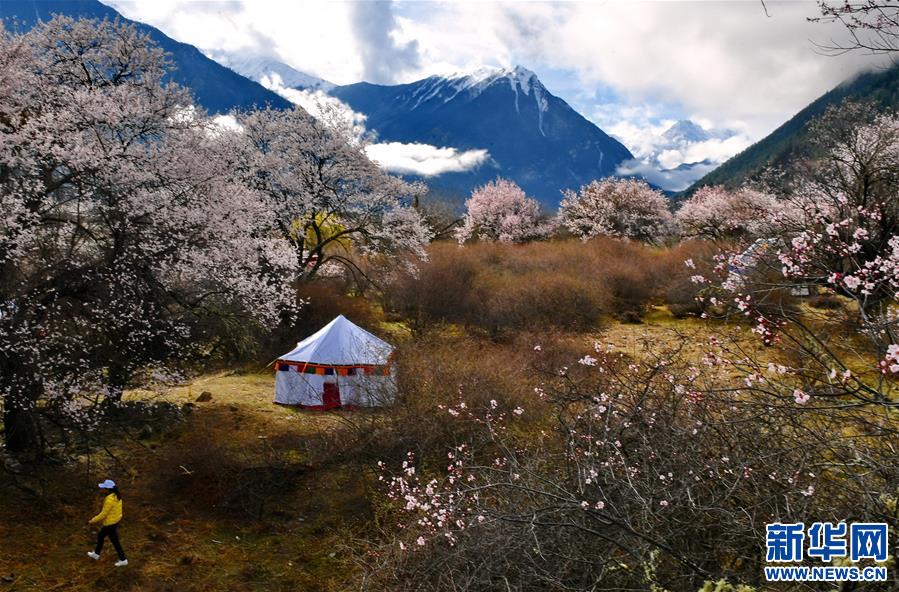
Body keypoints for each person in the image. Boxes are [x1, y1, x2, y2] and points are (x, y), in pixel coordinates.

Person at [86, 479, 128, 567]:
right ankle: (96, 554)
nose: (103, 489)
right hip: (115, 521)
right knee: (100, 536)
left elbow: (103, 514)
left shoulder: (109, 499)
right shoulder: (117, 496)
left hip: (110, 524)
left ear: (108, 489)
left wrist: (92, 520)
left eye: (104, 488)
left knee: (115, 541)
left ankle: (123, 559)